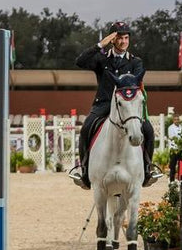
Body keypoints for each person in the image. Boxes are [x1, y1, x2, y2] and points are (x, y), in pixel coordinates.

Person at [69, 21, 162, 189]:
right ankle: (84, 172)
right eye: (119, 38)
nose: (123, 41)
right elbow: (80, 61)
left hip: (127, 107)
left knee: (148, 129)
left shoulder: (135, 62)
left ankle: (147, 169)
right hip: (104, 104)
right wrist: (100, 45)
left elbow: (136, 86)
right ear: (112, 39)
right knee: (85, 129)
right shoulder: (101, 59)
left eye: (126, 38)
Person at [167, 115, 182, 182]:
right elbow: (173, 138)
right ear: (173, 120)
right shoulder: (170, 128)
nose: (177, 121)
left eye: (178, 119)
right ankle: (172, 180)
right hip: (173, 149)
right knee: (172, 166)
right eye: (175, 119)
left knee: (181, 165)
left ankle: (181, 180)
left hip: (181, 149)